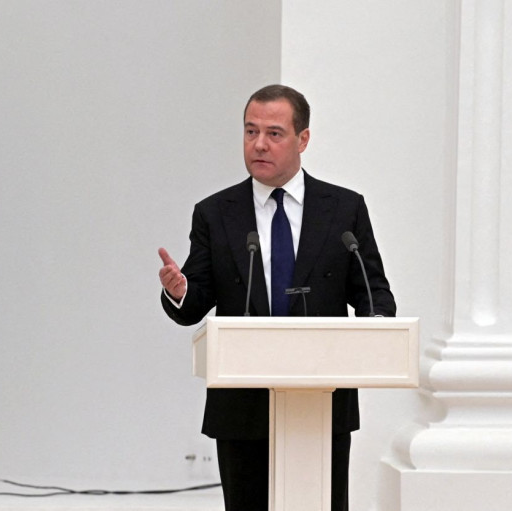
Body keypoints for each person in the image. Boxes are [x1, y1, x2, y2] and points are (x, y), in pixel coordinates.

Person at [158, 84, 395, 511]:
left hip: (320, 400)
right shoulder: (215, 213)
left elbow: (373, 290)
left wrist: (375, 329)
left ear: (303, 139)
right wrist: (180, 291)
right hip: (242, 403)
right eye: (250, 132)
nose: (259, 144)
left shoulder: (344, 209)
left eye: (273, 133)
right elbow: (195, 303)